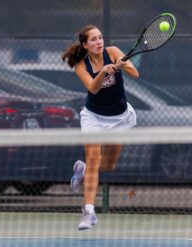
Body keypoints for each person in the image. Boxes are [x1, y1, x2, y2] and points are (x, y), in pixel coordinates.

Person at [62, 25, 139, 230]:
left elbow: (135, 73)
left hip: (120, 118)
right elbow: (93, 88)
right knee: (94, 159)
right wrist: (104, 72)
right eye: (94, 39)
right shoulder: (81, 65)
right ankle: (89, 212)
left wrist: (122, 66)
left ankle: (83, 170)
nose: (99, 42)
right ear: (85, 44)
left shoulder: (113, 52)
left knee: (109, 165)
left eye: (100, 37)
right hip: (94, 117)